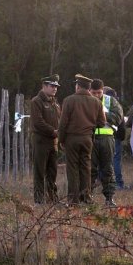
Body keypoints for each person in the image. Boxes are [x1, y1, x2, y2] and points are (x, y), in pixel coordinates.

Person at [58, 74, 106, 205]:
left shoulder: (69, 100)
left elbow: (63, 123)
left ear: (77, 86)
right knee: (86, 167)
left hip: (71, 139)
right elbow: (102, 123)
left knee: (72, 168)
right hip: (87, 139)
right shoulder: (96, 102)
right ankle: (86, 197)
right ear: (88, 87)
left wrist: (61, 140)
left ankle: (73, 199)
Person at [90, 80, 123, 207]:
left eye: (99, 92)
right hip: (90, 137)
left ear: (102, 90)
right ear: (89, 91)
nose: (97, 95)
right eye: (93, 93)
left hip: (107, 138)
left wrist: (103, 114)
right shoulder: (86, 100)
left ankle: (109, 198)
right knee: (90, 169)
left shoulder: (110, 101)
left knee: (107, 168)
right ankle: (88, 196)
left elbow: (118, 117)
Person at [30, 74, 61, 204]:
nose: (55, 89)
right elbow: (38, 122)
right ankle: (39, 200)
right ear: (44, 86)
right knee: (40, 172)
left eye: (56, 86)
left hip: (53, 142)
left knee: (52, 171)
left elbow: (59, 120)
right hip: (41, 141)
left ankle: (53, 199)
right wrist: (53, 131)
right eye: (52, 86)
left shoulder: (55, 103)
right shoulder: (36, 101)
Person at [104, 87, 127, 190]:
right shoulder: (116, 105)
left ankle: (111, 183)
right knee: (115, 160)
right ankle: (118, 183)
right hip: (116, 136)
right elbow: (121, 123)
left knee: (108, 161)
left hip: (107, 136)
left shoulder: (105, 104)